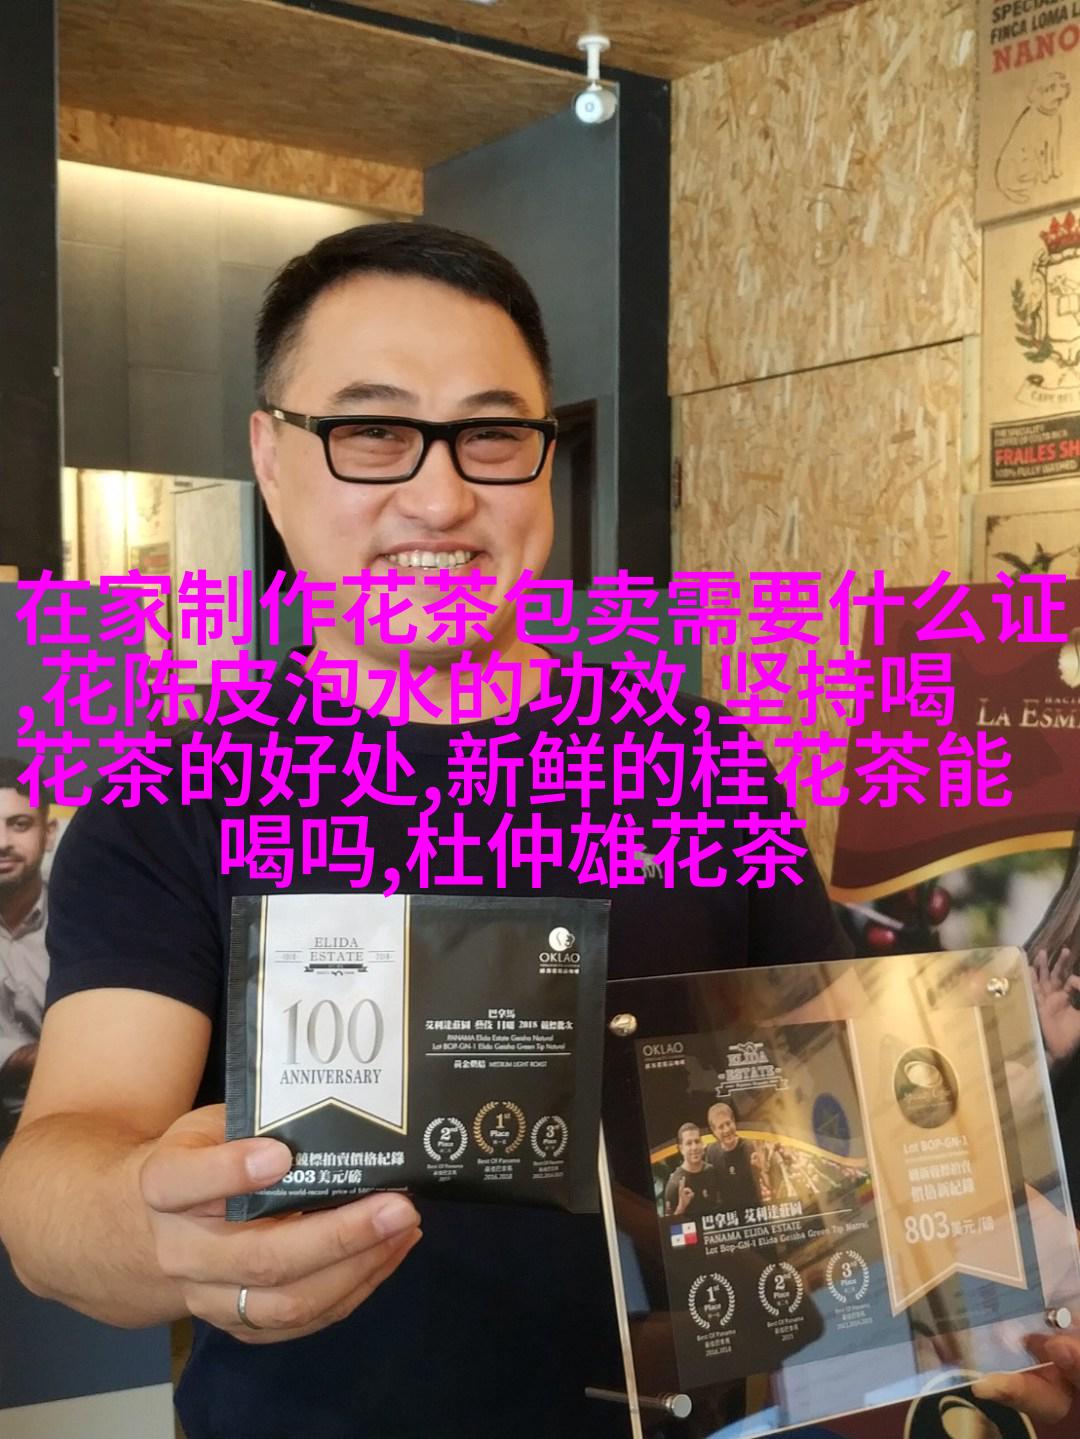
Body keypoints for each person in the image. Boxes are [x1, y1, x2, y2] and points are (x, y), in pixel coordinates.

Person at [0, 222, 853, 1439]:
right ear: (272, 457)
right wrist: (147, 1216)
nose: (442, 497)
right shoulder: (172, 796)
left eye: (491, 435)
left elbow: (835, 1075)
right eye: (372, 430)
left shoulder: (698, 760)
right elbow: (60, 1168)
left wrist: (997, 1277)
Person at [0, 758, 56, 1139]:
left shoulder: (89, 916)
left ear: (48, 833)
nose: (3, 842)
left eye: (19, 824)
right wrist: (24, 1058)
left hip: (73, 1116)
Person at [703, 1100, 764, 1215]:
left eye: (728, 1123)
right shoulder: (711, 1152)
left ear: (734, 1122)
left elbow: (763, 1182)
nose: (726, 1130)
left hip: (752, 1213)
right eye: (721, 1127)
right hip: (728, 1216)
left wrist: (761, 1168)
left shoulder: (749, 1147)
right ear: (714, 1131)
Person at [663, 1122, 717, 1220]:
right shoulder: (674, 1184)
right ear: (681, 1149)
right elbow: (667, 1225)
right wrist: (681, 1206)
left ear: (702, 1143)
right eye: (689, 1143)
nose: (694, 1147)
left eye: (697, 1141)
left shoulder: (712, 1171)